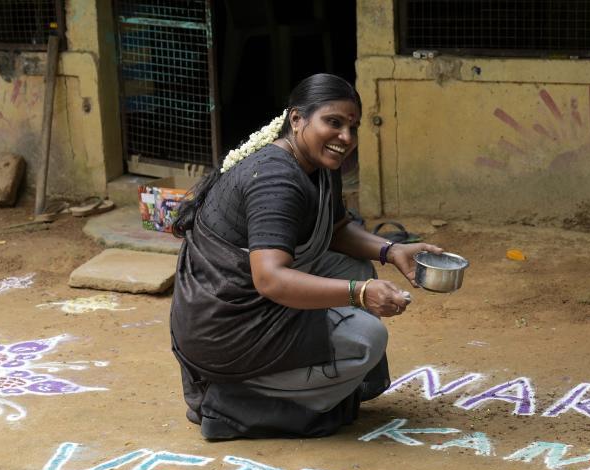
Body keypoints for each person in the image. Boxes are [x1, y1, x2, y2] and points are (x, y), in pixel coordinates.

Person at [170, 73, 443, 440]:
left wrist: (391, 252)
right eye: (333, 122)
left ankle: (281, 381)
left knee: (352, 267)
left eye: (352, 126)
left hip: (238, 306)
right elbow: (270, 279)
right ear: (296, 119)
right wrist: (360, 293)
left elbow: (335, 231)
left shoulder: (316, 165)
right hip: (225, 327)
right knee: (367, 339)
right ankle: (235, 400)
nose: (346, 138)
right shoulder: (275, 180)